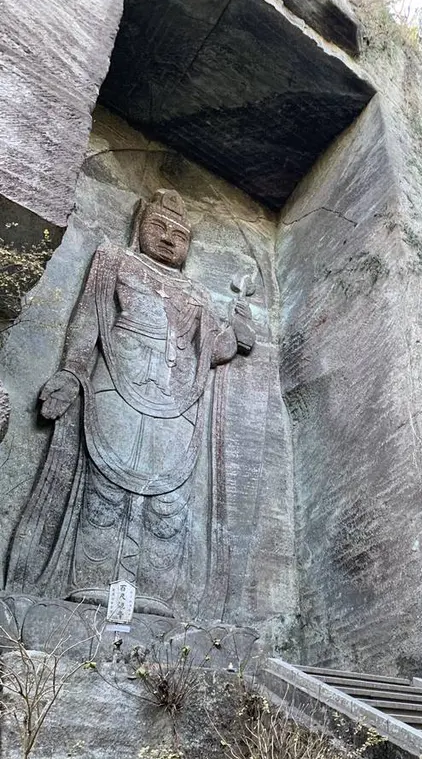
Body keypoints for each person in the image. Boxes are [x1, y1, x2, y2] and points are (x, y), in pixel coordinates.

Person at [6, 189, 254, 618]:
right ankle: (89, 585)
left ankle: (154, 597)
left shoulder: (196, 292)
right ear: (139, 226)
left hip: (178, 400)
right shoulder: (116, 260)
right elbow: (90, 318)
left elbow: (209, 351)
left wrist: (237, 334)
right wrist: (71, 370)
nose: (169, 239)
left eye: (180, 235)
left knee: (168, 500)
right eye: (158, 227)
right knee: (105, 484)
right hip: (117, 382)